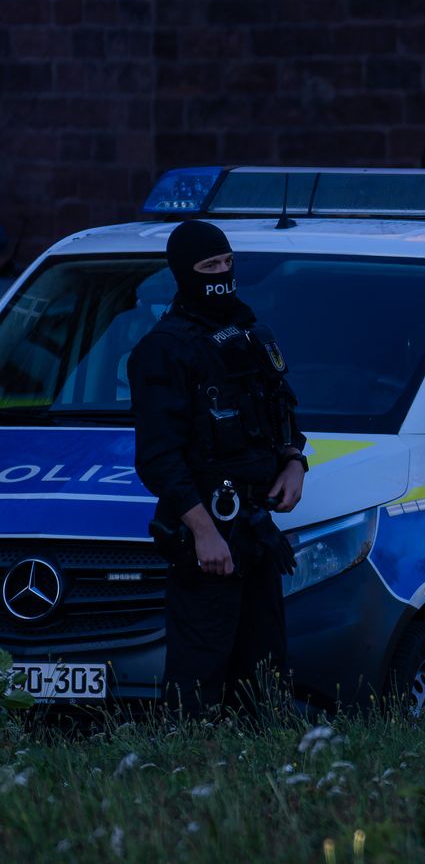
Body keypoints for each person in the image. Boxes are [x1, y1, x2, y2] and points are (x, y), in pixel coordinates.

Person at [130, 220, 306, 713]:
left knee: (265, 679)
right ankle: (193, 755)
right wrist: (204, 532)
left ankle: (262, 757)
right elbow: (158, 459)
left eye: (228, 262)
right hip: (206, 538)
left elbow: (283, 411)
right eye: (209, 266)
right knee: (198, 679)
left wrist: (294, 462)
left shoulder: (248, 333)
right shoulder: (164, 350)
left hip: (256, 533)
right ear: (185, 273)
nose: (222, 274)